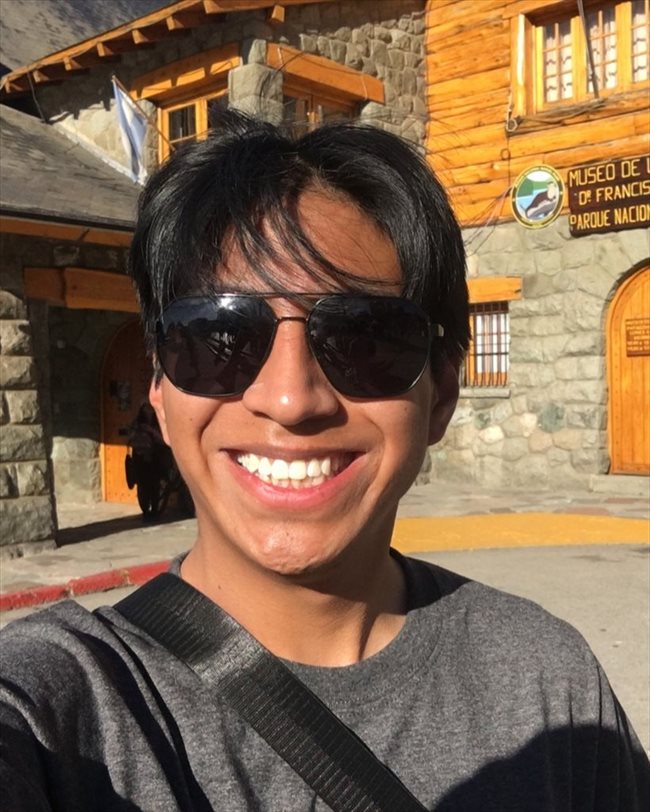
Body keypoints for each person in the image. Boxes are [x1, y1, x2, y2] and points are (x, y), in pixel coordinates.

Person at [1, 110, 648, 811]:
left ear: (441, 394)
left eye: (364, 338)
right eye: (217, 337)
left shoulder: (549, 684)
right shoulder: (63, 704)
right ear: (159, 387)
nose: (290, 399)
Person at [126, 401, 168, 520]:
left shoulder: (157, 422)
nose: (148, 411)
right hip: (140, 458)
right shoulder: (137, 423)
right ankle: (145, 511)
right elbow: (130, 438)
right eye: (146, 408)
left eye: (150, 408)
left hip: (154, 458)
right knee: (143, 486)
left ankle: (154, 511)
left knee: (154, 485)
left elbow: (163, 439)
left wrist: (151, 431)